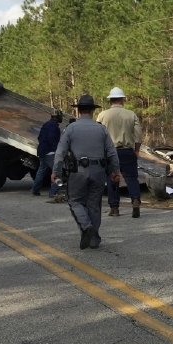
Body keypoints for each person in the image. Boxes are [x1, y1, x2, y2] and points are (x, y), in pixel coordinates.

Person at [52, 95, 122, 250]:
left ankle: (86, 226)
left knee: (75, 200)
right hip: (98, 171)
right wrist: (115, 171)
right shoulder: (101, 129)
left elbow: (60, 152)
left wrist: (56, 171)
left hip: (78, 171)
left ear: (78, 111)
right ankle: (94, 240)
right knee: (94, 205)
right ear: (92, 110)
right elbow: (112, 153)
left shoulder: (71, 128)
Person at [96, 86, 143, 218]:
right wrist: (137, 150)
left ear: (110, 100)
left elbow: (98, 134)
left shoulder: (102, 115)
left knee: (112, 180)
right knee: (132, 179)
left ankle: (115, 208)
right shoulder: (131, 114)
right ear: (122, 100)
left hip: (110, 152)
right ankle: (135, 200)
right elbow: (138, 134)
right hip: (127, 151)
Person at [32, 109, 63, 199]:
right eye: (61, 117)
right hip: (50, 153)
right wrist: (57, 150)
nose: (61, 118)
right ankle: (53, 192)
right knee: (57, 171)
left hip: (42, 151)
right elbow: (52, 139)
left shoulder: (46, 124)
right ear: (57, 116)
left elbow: (39, 137)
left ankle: (35, 190)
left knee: (41, 171)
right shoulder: (54, 126)